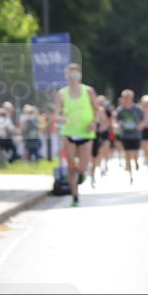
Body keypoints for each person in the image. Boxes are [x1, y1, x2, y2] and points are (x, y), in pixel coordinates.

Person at [53, 63, 98, 207]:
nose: (73, 77)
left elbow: (97, 109)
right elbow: (56, 114)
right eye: (70, 74)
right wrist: (62, 119)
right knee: (71, 167)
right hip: (69, 133)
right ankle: (75, 196)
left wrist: (94, 122)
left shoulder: (88, 91)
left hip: (86, 133)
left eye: (75, 74)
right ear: (66, 76)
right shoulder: (62, 93)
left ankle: (82, 174)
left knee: (83, 167)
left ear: (79, 75)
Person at [113, 90, 143, 184]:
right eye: (125, 97)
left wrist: (140, 125)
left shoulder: (137, 109)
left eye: (128, 97)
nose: (126, 99)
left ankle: (136, 162)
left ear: (132, 98)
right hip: (125, 135)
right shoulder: (120, 110)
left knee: (135, 154)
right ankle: (130, 175)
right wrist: (117, 125)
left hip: (136, 135)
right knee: (127, 155)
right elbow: (114, 121)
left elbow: (144, 119)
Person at [90, 95, 112, 183]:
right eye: (99, 102)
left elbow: (107, 123)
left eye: (103, 102)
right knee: (94, 156)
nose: (101, 104)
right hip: (93, 135)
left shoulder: (103, 111)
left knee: (105, 148)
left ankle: (104, 165)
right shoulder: (90, 110)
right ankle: (92, 175)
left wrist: (101, 128)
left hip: (103, 133)